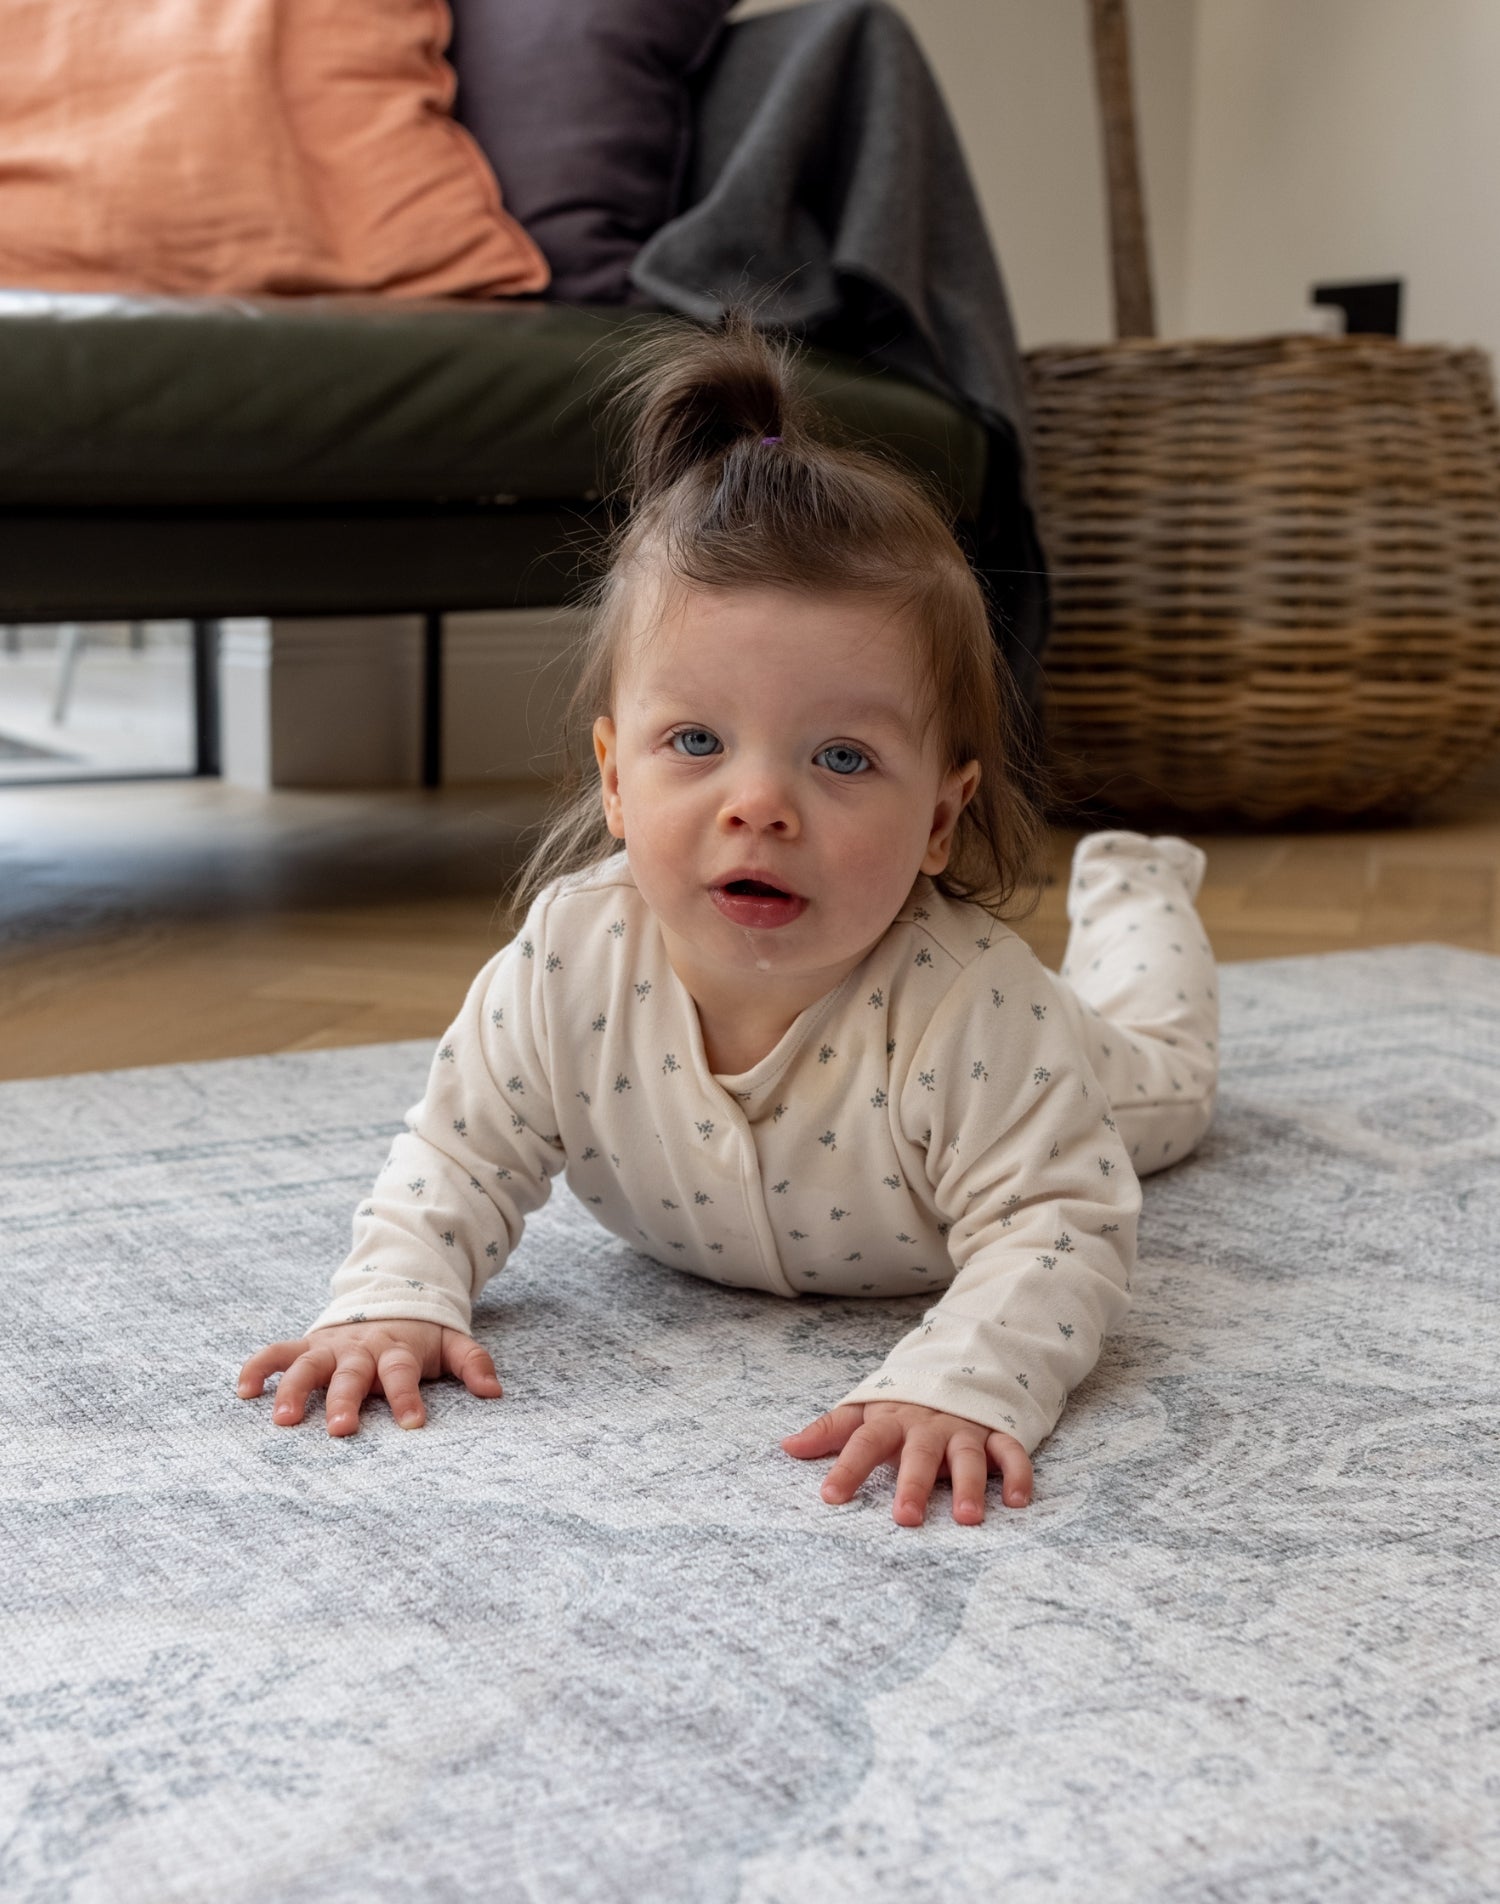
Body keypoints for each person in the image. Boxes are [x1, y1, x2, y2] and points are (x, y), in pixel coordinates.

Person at [237, 314, 1218, 1526]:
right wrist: (395, 1293)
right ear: (611, 772)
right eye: (694, 742)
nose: (758, 804)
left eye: (843, 756)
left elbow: (1059, 1224)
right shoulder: (565, 959)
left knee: (1169, 1067)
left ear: (939, 818)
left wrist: (966, 1382)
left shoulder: (980, 1011)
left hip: (1079, 1068)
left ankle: (1138, 890)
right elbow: (459, 1152)